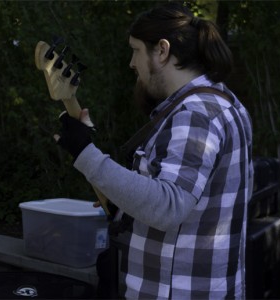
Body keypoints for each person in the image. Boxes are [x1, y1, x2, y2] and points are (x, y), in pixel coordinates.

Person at [54, 3, 252, 298]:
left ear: (162, 50)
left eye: (135, 50)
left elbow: (169, 207)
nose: (132, 63)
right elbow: (180, 194)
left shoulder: (195, 114)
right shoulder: (223, 101)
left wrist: (84, 151)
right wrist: (124, 202)